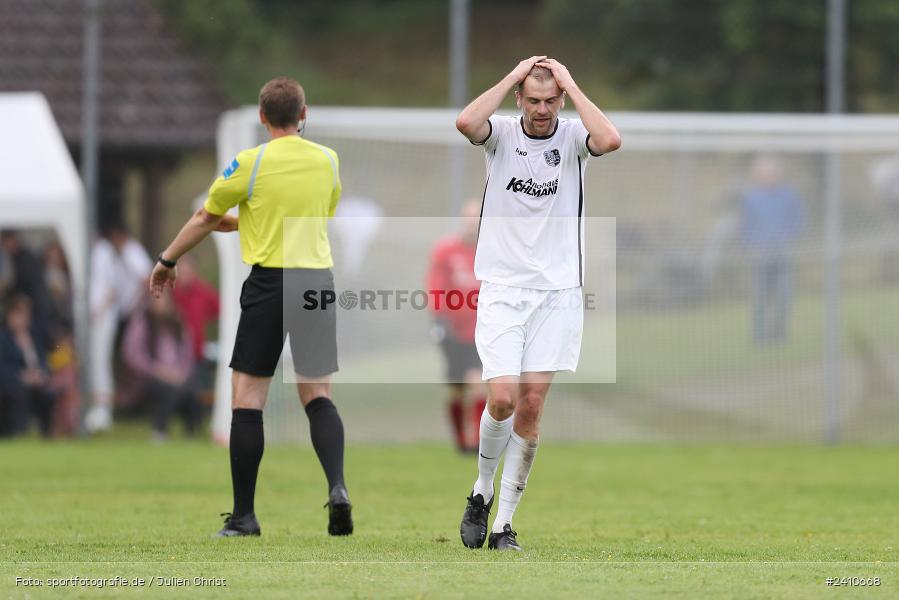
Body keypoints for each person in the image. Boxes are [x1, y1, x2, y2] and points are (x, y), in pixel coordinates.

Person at [150, 77, 351, 538]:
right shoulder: (328, 160)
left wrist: (167, 260)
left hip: (270, 283)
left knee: (247, 399)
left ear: (262, 117)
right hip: (316, 282)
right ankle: (337, 487)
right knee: (318, 395)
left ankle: (244, 517)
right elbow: (315, 216)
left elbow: (205, 216)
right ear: (303, 114)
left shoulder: (250, 162)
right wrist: (251, 220)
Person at [454, 56, 621, 551]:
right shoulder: (502, 136)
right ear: (519, 99)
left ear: (561, 99)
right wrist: (512, 75)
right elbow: (465, 122)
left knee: (530, 406)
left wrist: (571, 81)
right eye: (533, 99)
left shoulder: (573, 139)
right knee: (503, 398)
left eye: (551, 100)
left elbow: (610, 139)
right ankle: (481, 490)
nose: (542, 109)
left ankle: (504, 525)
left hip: (557, 293)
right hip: (504, 289)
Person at [426, 200, 486, 452]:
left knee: (477, 380)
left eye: (478, 217)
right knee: (457, 388)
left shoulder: (491, 251)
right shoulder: (446, 251)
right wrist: (439, 319)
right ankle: (461, 438)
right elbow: (435, 286)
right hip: (452, 330)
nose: (473, 222)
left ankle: (479, 440)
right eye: (469, 217)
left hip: (481, 329)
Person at [85, 223, 153, 433]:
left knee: (120, 359)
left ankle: (113, 408)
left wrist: (133, 307)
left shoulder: (127, 250)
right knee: (113, 361)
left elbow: (145, 279)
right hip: (121, 314)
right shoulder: (115, 253)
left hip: (128, 315)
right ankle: (115, 406)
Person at [740, 157, 806, 344]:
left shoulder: (788, 195)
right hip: (760, 252)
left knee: (784, 293)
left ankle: (780, 334)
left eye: (772, 173)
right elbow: (746, 225)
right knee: (759, 295)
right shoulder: (752, 197)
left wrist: (790, 235)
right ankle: (760, 336)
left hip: (782, 251)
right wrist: (752, 242)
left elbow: (799, 218)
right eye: (764, 174)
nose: (769, 177)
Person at [122, 294, 200, 441]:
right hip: (148, 377)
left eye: (165, 300)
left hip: (177, 376)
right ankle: (159, 431)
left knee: (192, 389)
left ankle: (191, 432)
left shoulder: (177, 323)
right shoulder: (142, 322)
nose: (162, 304)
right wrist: (158, 371)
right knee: (167, 390)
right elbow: (132, 355)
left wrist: (182, 373)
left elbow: (188, 355)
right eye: (158, 301)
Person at [0, 294, 56, 437]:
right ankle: (18, 432)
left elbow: (45, 360)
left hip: (35, 382)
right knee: (19, 393)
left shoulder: (34, 337)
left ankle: (46, 432)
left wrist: (41, 373)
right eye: (17, 316)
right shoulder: (4, 339)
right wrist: (22, 376)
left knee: (47, 393)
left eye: (23, 316)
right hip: (11, 383)